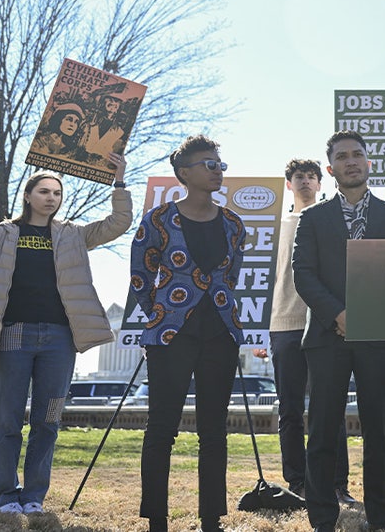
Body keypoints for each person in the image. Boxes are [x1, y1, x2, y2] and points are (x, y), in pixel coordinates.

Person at [0, 158, 132, 515]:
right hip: (12, 335)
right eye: (43, 191)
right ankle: (6, 497)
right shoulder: (1, 235)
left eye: (57, 193)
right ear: (28, 196)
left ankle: (33, 497)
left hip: (59, 340)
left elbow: (118, 223)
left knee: (48, 420)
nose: (51, 198)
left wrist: (118, 183)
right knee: (9, 422)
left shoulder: (71, 234)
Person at [292, 130, 385, 532]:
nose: (351, 161)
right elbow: (303, 275)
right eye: (342, 156)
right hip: (327, 337)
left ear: (368, 163)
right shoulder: (312, 218)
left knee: (380, 431)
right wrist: (338, 314)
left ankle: (381, 517)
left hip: (379, 338)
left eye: (358, 154)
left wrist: (371, 315)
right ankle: (322, 517)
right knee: (323, 430)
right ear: (331, 168)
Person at [132, 135, 245, 532]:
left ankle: (211, 519)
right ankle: (156, 521)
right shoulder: (159, 219)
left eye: (220, 164)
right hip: (170, 335)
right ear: (184, 173)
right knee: (162, 426)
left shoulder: (233, 223)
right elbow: (141, 277)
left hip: (221, 334)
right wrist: (163, 315)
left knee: (214, 428)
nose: (218, 170)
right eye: (209, 164)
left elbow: (229, 277)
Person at [252, 159, 356, 504]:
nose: (307, 181)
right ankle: (297, 483)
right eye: (300, 177)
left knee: (331, 407)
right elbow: (263, 278)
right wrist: (258, 330)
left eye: (312, 176)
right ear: (289, 184)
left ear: (320, 180)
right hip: (284, 324)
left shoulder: (333, 219)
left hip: (326, 323)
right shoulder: (274, 225)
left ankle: (337, 484)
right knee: (290, 409)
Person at [79, 94, 127, 164]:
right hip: (80, 158)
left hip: (99, 163)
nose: (113, 105)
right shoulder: (88, 122)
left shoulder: (119, 132)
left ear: (118, 108)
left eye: (116, 104)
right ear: (103, 104)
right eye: (110, 102)